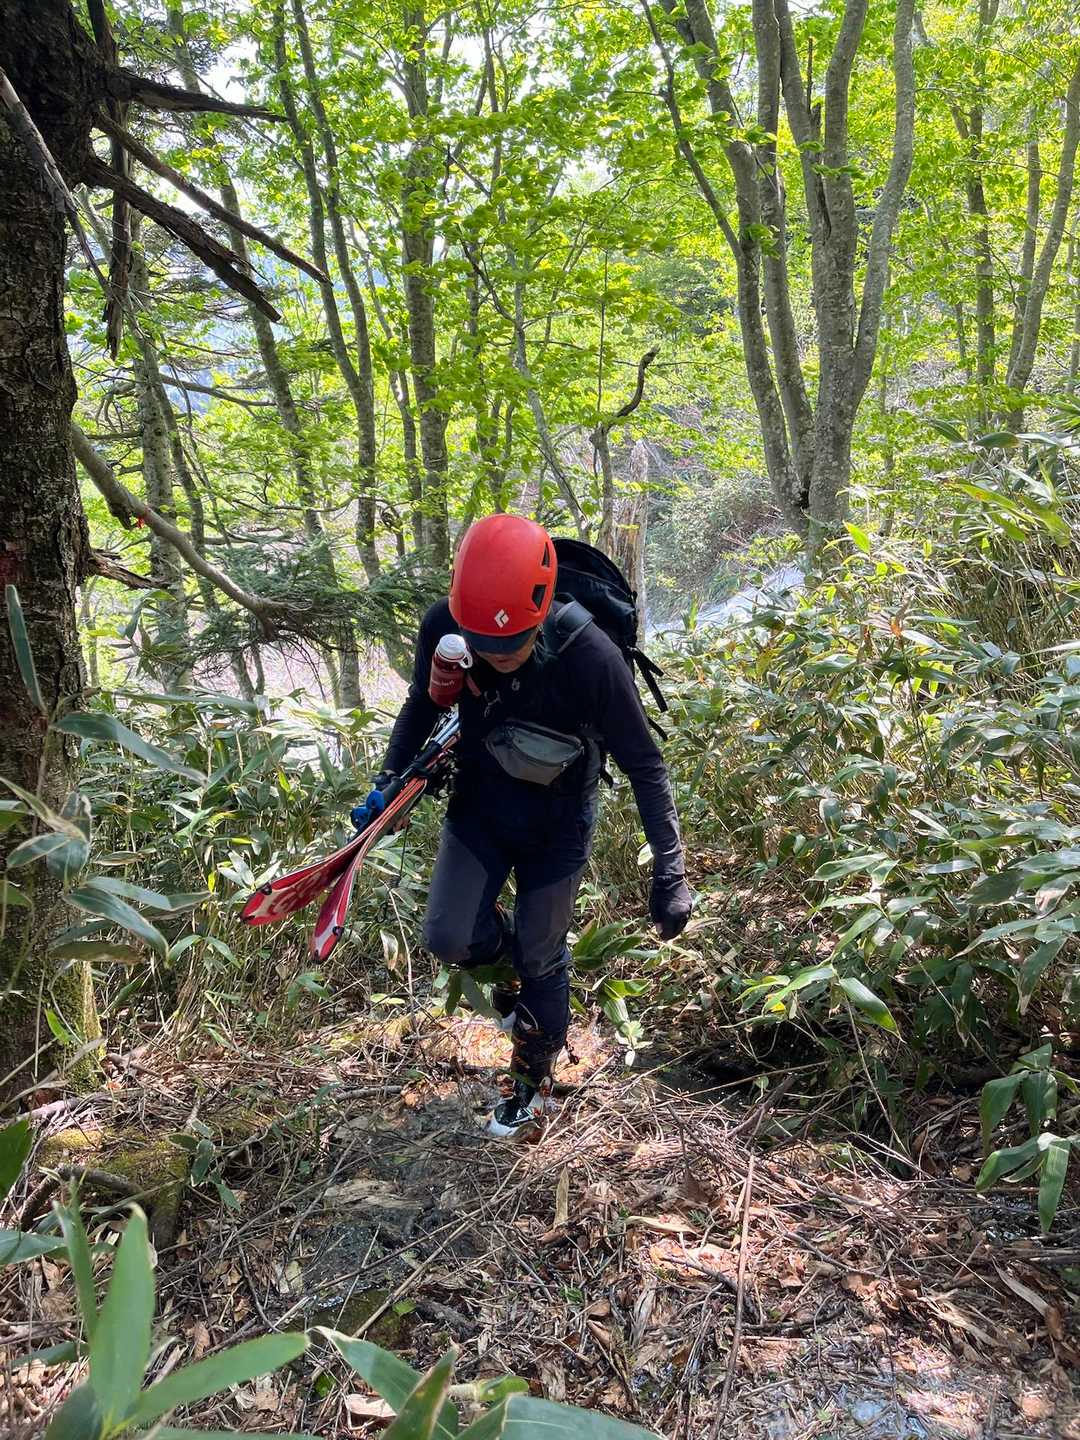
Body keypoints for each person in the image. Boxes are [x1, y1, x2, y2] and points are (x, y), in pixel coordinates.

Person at [353, 514, 692, 1136]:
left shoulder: (589, 653)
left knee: (542, 954)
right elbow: (422, 702)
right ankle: (520, 972)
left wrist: (669, 871)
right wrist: (388, 779)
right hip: (480, 805)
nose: (499, 657)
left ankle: (530, 1084)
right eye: (485, 645)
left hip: (559, 820)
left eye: (513, 644)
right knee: (449, 936)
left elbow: (646, 765)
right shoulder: (445, 627)